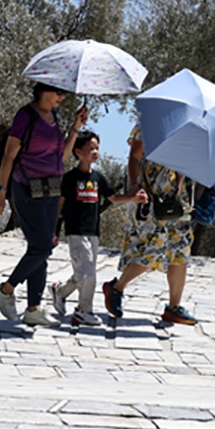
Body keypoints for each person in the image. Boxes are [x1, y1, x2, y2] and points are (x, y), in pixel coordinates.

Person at [0, 82, 86, 326]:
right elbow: (9, 155)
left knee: (41, 249)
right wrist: (1, 192)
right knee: (43, 246)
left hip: (51, 190)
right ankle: (6, 290)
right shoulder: (26, 116)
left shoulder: (54, 117)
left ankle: (33, 309)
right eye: (58, 92)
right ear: (43, 90)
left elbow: (61, 158)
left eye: (65, 93)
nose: (62, 97)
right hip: (26, 189)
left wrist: (76, 127)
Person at [101, 123, 199, 325]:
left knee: (180, 251)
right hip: (149, 199)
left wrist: (183, 195)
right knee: (154, 248)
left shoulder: (182, 131)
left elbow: (181, 166)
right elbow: (134, 157)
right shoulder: (148, 126)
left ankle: (174, 307)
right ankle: (117, 288)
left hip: (174, 201)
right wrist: (135, 188)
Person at [49, 130, 143, 326]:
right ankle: (84, 310)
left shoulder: (99, 178)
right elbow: (59, 204)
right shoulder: (69, 178)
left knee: (84, 271)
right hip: (76, 231)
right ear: (78, 152)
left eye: (97, 148)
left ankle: (60, 292)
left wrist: (133, 198)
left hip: (93, 233)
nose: (95, 152)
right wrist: (53, 229)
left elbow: (113, 198)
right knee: (88, 273)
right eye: (90, 148)